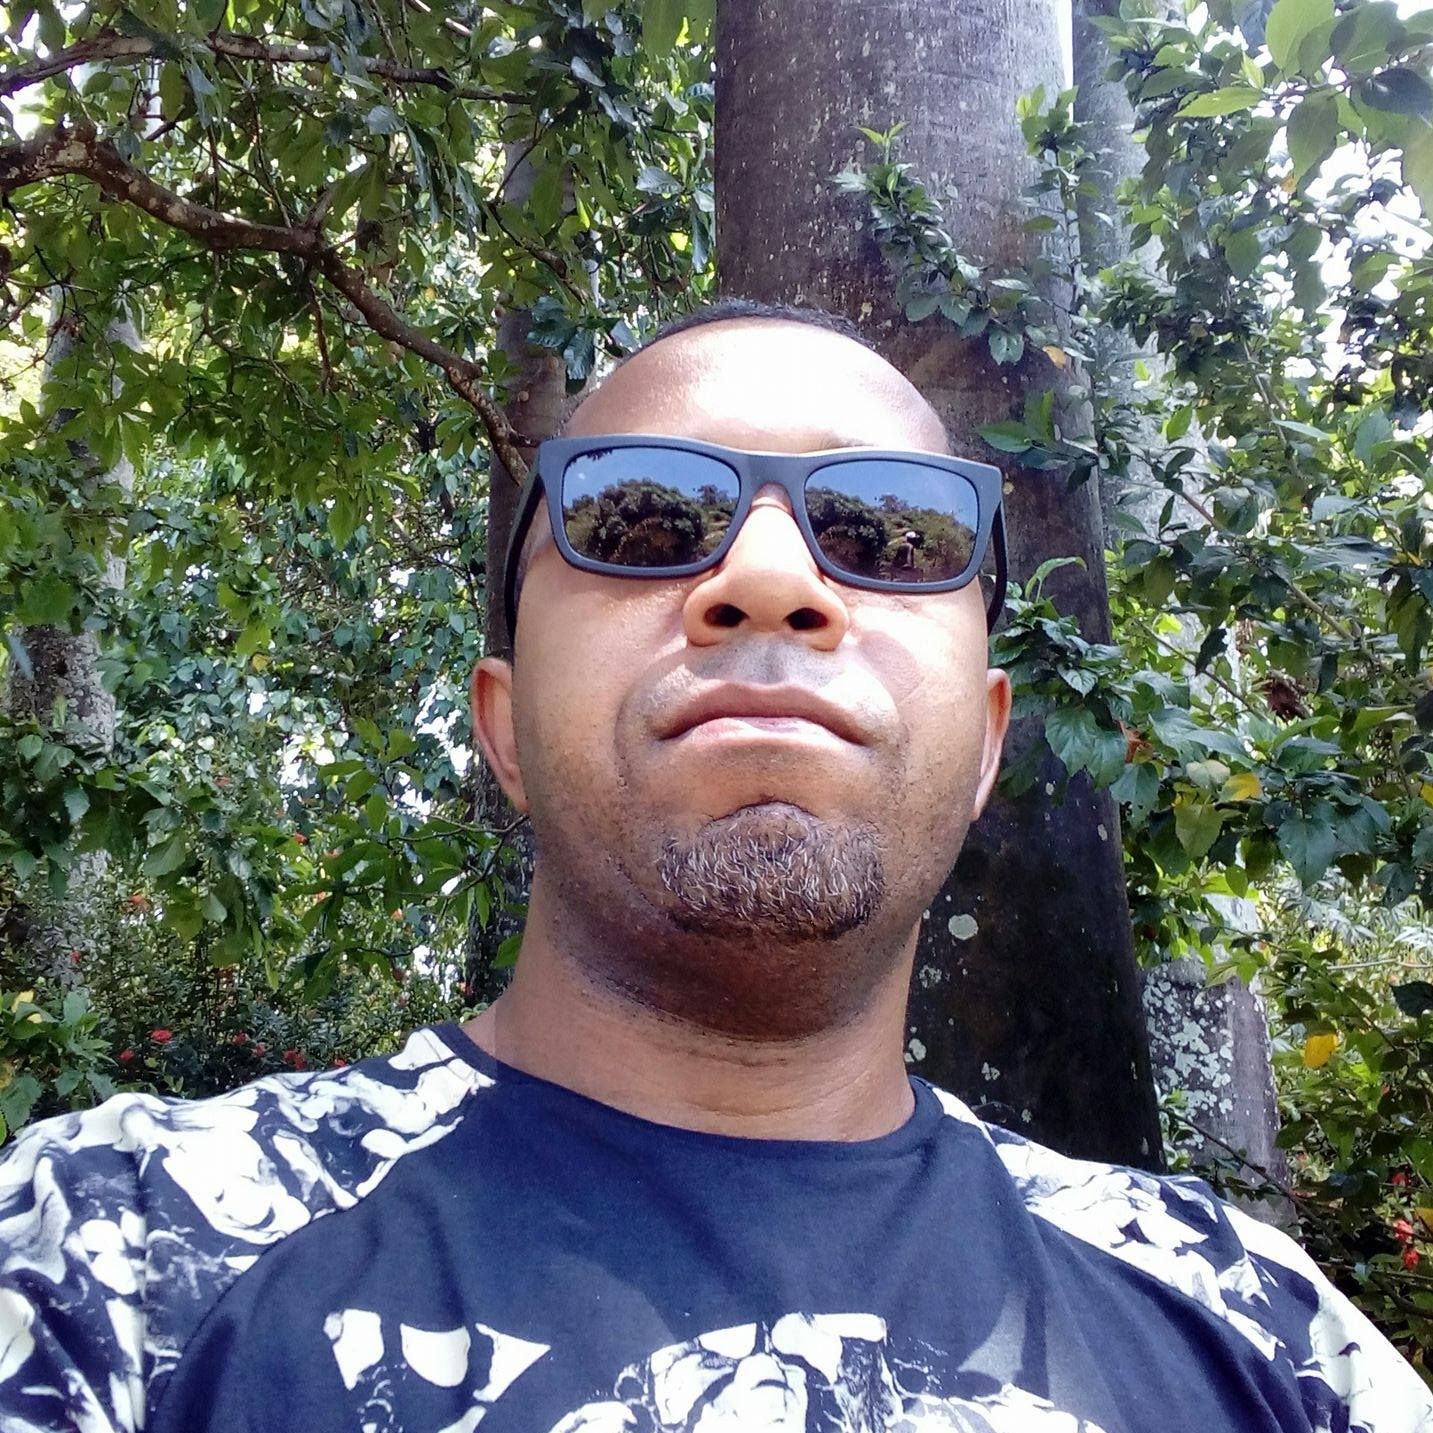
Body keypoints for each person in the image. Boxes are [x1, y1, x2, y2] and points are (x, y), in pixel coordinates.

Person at [0, 300, 1428, 1433]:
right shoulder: (110, 1261)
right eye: (641, 516)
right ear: (503, 728)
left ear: (988, 744)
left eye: (889, 532)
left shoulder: (1262, 1335)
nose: (772, 578)